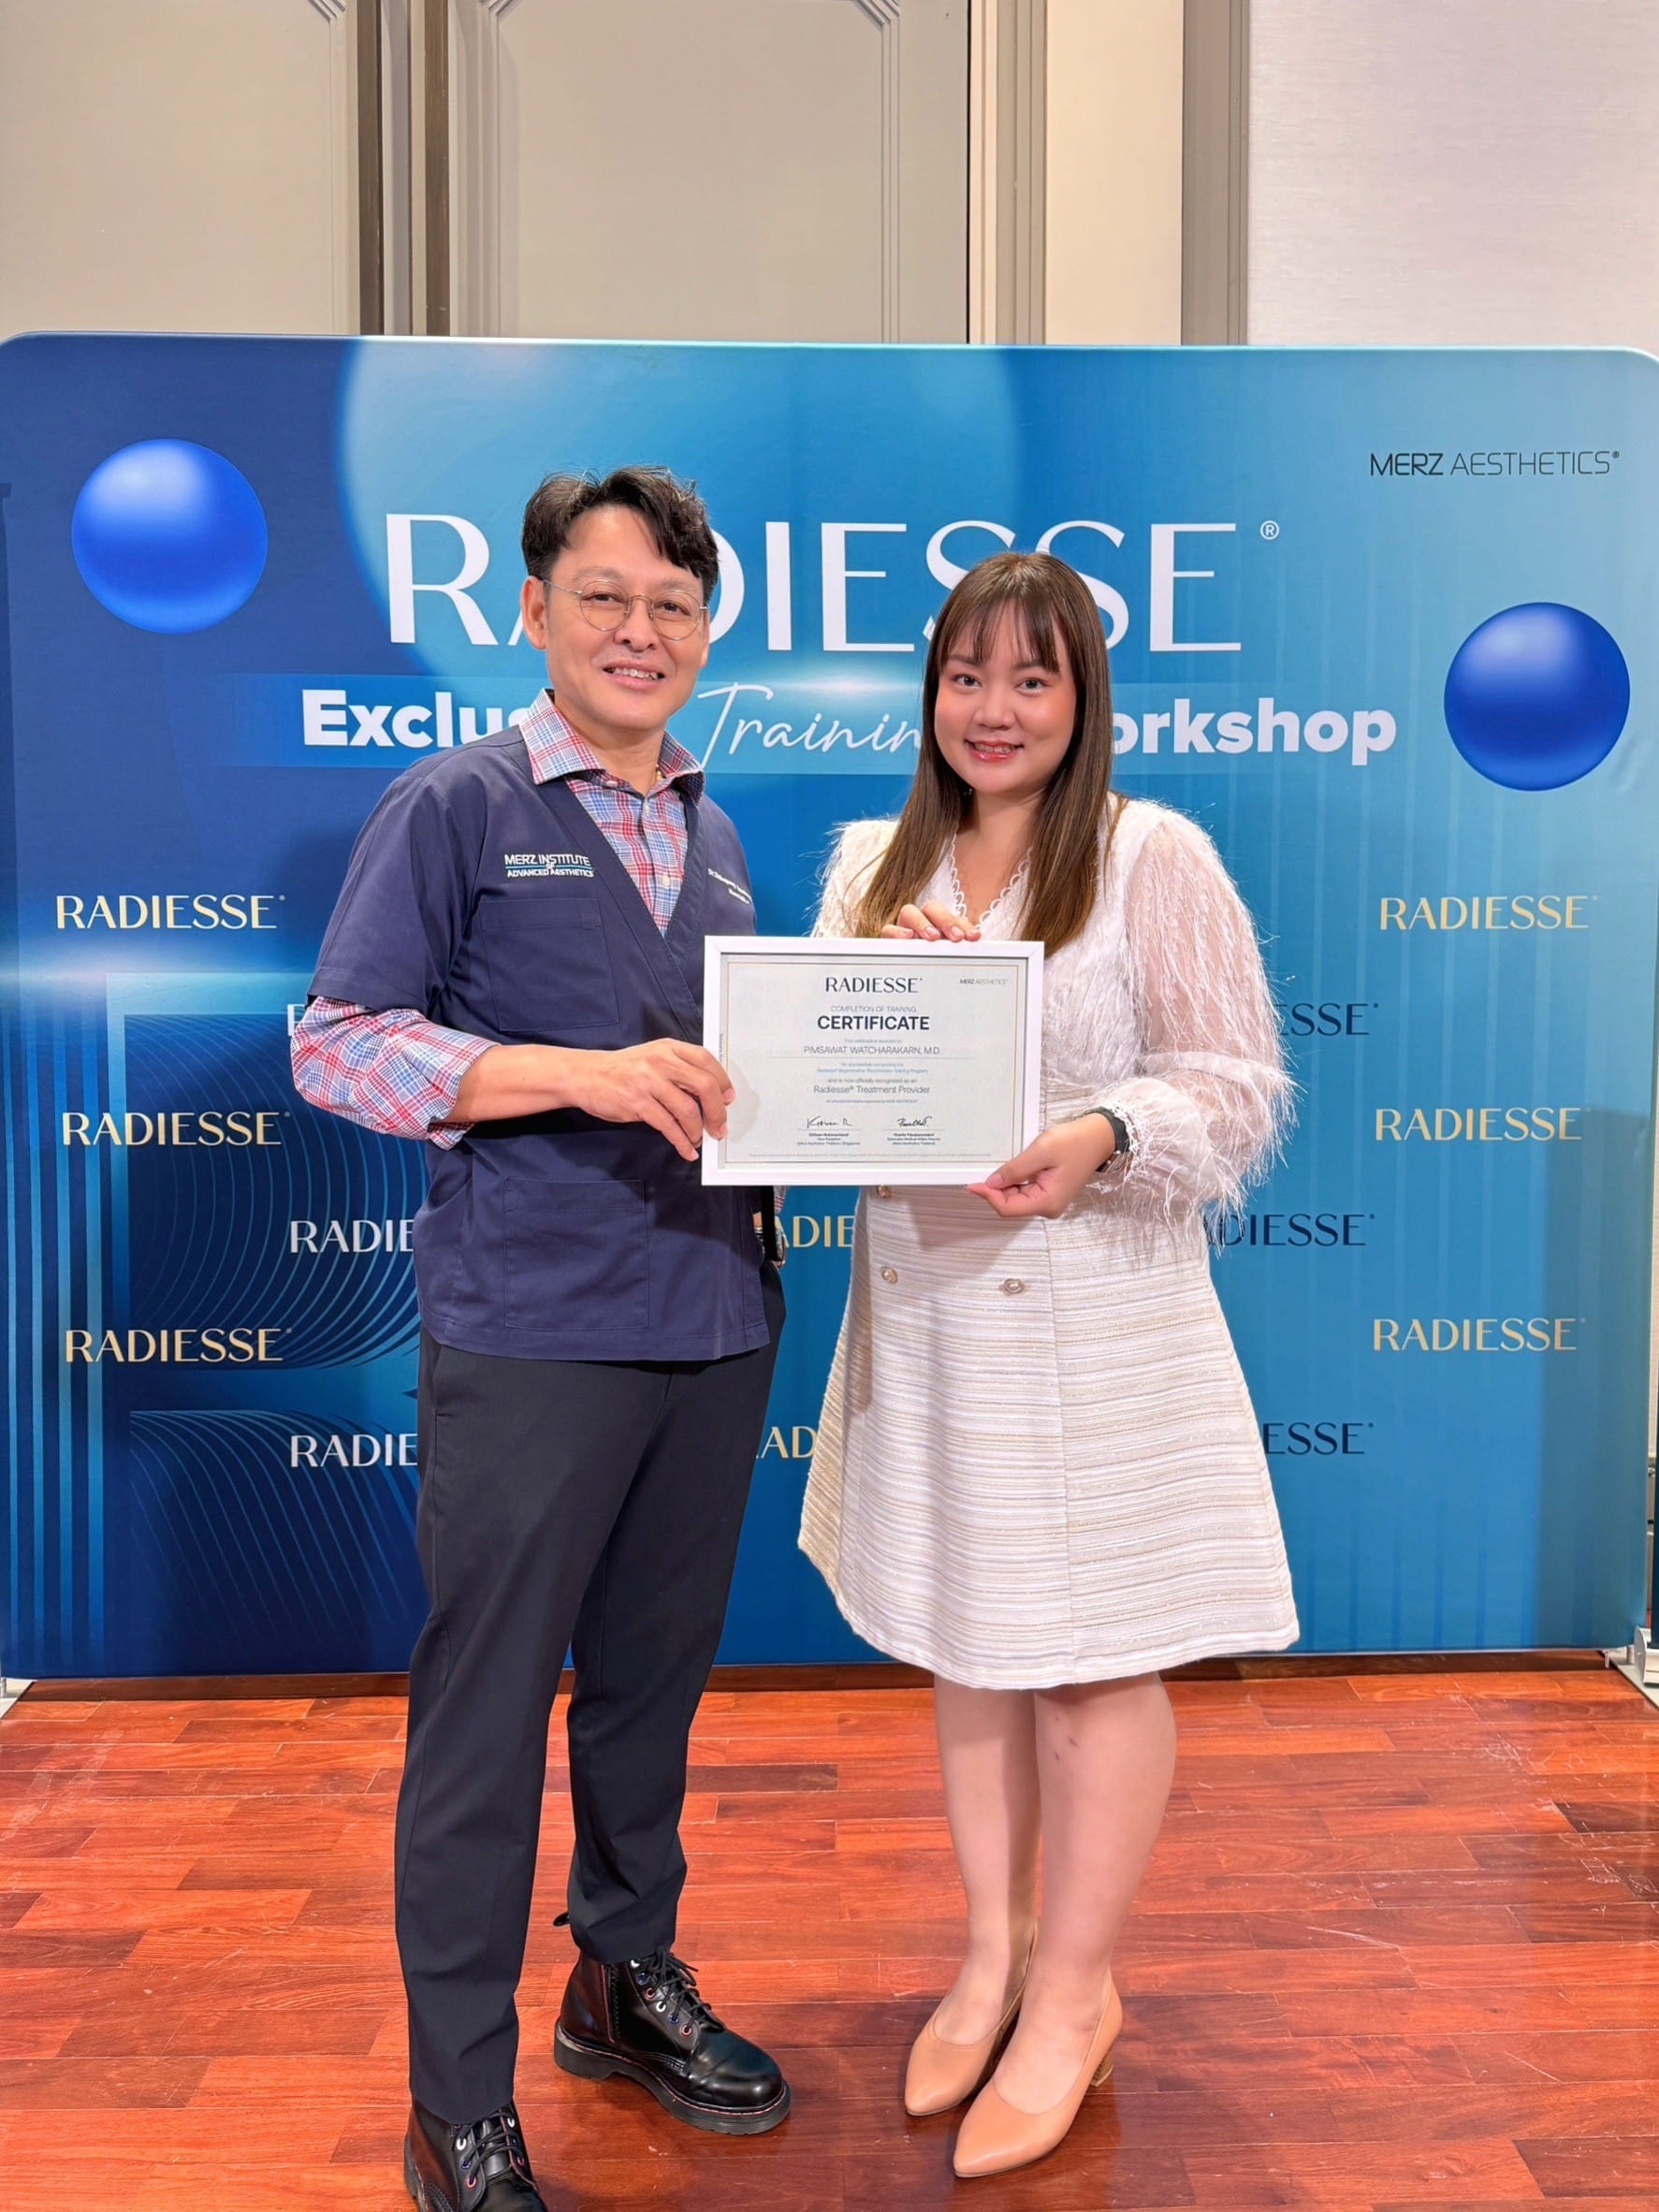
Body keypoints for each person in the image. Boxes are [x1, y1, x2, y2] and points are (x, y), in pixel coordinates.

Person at [293, 467, 790, 2212]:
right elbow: (336, 1043)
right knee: (488, 1718)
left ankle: (619, 1982)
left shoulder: (716, 834)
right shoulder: (455, 801)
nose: (639, 632)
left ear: (704, 631)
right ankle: (457, 2102)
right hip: (534, 1332)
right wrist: (572, 1076)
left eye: (673, 605)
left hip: (713, 1323)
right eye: (604, 597)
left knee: (649, 1697)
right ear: (533, 612)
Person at [802, 549, 1299, 2182]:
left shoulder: (1151, 852)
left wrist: (1099, 1127)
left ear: (1083, 696)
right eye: (966, 676)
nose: (993, 709)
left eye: (1031, 677)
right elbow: (821, 1089)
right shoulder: (871, 862)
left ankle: (1077, 1992)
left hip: (1097, 1323)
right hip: (933, 1314)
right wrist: (886, 1013)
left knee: (1091, 1661)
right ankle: (992, 1957)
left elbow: (1234, 1085)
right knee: (971, 1643)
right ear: (929, 693)